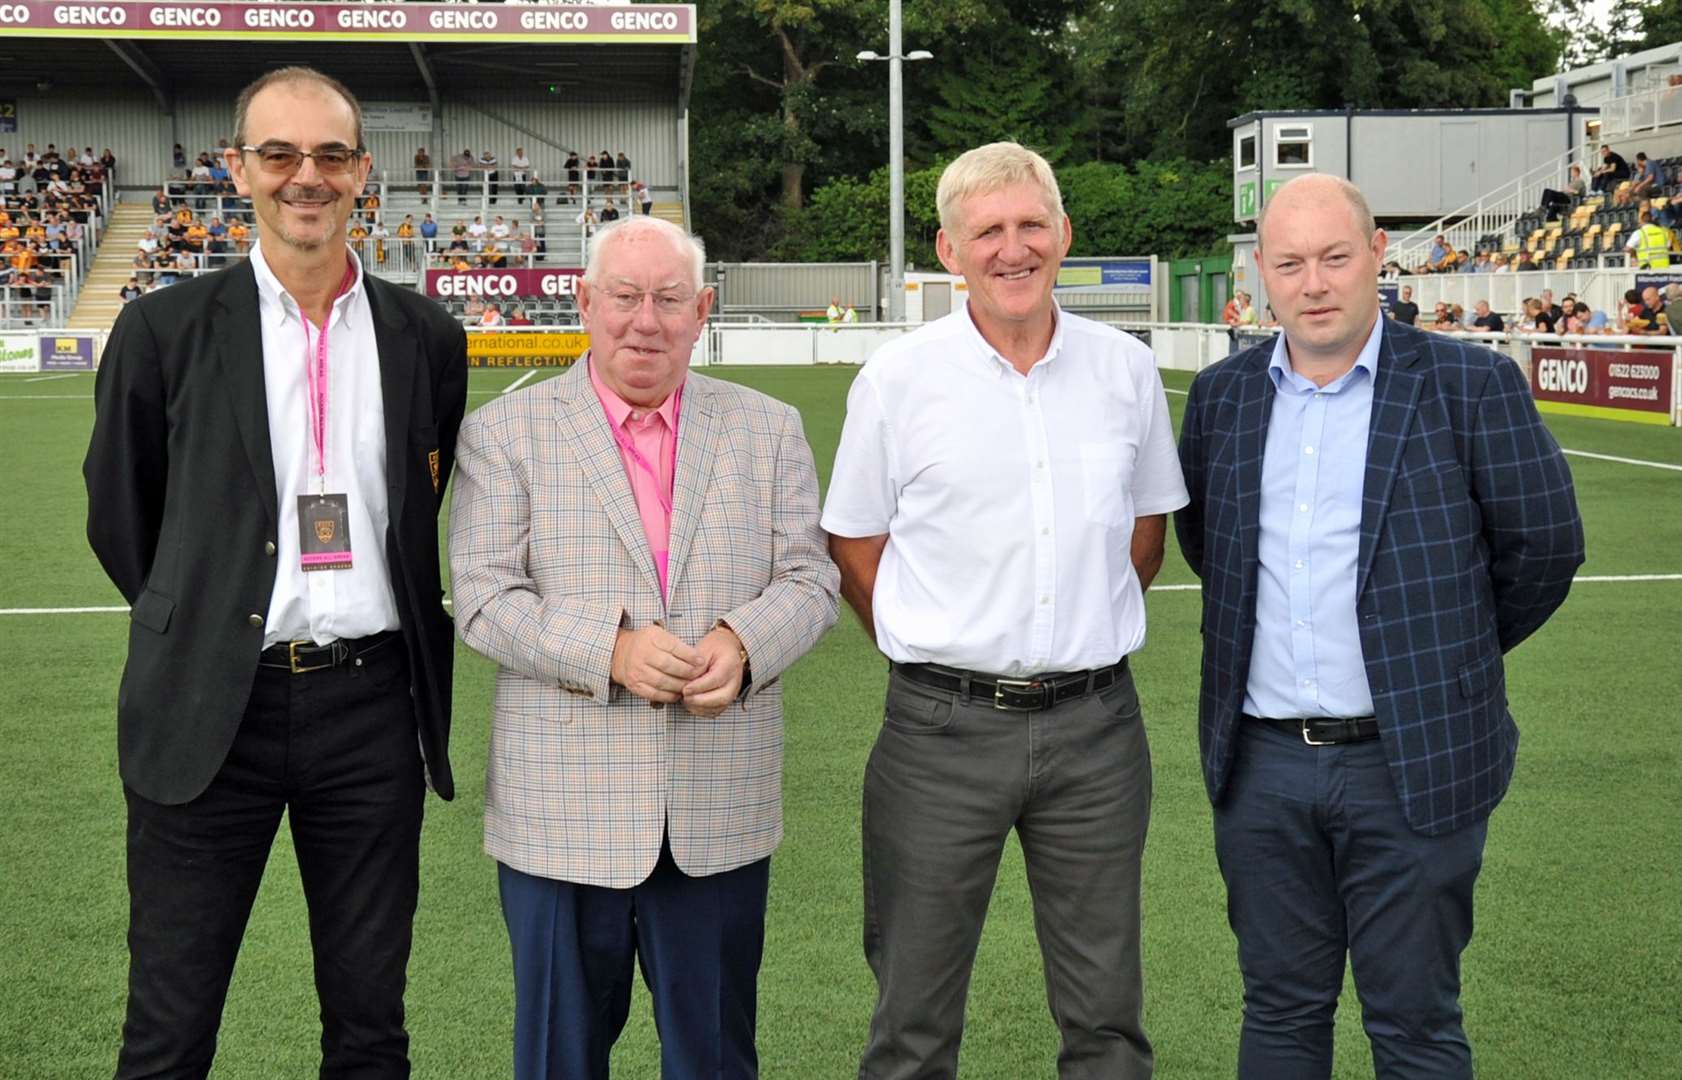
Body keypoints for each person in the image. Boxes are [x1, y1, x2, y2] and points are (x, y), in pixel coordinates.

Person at [83, 66, 469, 1080]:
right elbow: (125, 518)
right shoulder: (162, 331)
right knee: (168, 1030)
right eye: (280, 155)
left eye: (330, 155)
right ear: (238, 170)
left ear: (361, 173)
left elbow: (424, 500)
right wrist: (207, 619)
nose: (308, 176)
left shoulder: (424, 335)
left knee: (371, 1025)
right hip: (211, 707)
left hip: (373, 710)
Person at [1175, 173, 1583, 1080]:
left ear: (1376, 259)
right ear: (1264, 275)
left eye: (1333, 258)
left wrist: (1439, 655)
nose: (1313, 283)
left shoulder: (1471, 385)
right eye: (1290, 263)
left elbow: (1545, 549)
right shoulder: (1223, 399)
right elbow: (1214, 550)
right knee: (1279, 1013)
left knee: (1415, 1026)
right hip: (1264, 767)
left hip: (1415, 765)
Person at [823, 141, 1184, 1080]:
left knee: (1107, 1020)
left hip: (1098, 732)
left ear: (1063, 234)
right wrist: (936, 655)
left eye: (1031, 226)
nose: (1012, 249)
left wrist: (1072, 638)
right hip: (938, 734)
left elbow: (1144, 538)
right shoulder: (897, 382)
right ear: (949, 249)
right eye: (988, 231)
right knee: (913, 1020)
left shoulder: (1125, 371)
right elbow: (855, 548)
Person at [448, 214, 839, 1079]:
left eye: (668, 299)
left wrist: (743, 642)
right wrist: (611, 651)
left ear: (702, 310)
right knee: (559, 1060)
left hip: (716, 813)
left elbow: (812, 580)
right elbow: (481, 597)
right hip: (560, 817)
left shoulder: (768, 428)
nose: (645, 320)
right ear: (584, 303)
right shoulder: (506, 433)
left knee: (715, 1058)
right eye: (624, 297)